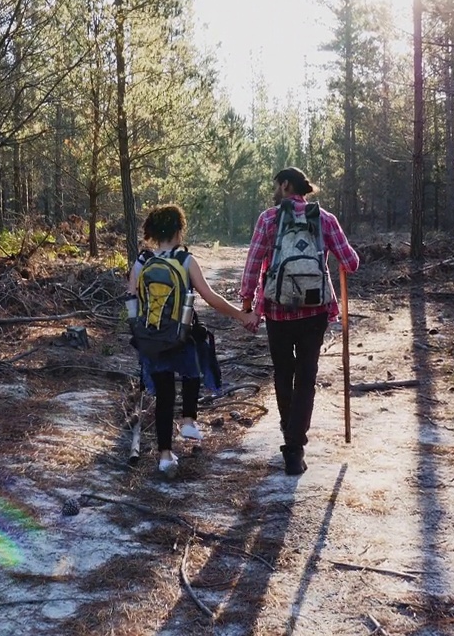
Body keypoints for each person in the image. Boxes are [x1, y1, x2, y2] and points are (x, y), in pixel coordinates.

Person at [239, 167, 360, 475]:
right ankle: (295, 446)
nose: (275, 190)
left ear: (285, 184)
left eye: (276, 185)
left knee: (283, 372)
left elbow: (253, 263)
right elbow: (351, 263)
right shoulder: (325, 219)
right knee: (307, 375)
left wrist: (248, 304)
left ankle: (289, 435)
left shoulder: (269, 219)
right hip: (314, 311)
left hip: (277, 310)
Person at [128, 204, 251, 479]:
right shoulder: (185, 260)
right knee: (195, 363)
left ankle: (163, 457)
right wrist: (241, 315)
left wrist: (139, 334)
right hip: (180, 335)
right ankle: (188, 420)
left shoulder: (142, 261)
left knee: (163, 393)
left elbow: (131, 297)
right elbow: (210, 298)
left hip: (151, 337)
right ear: (178, 230)